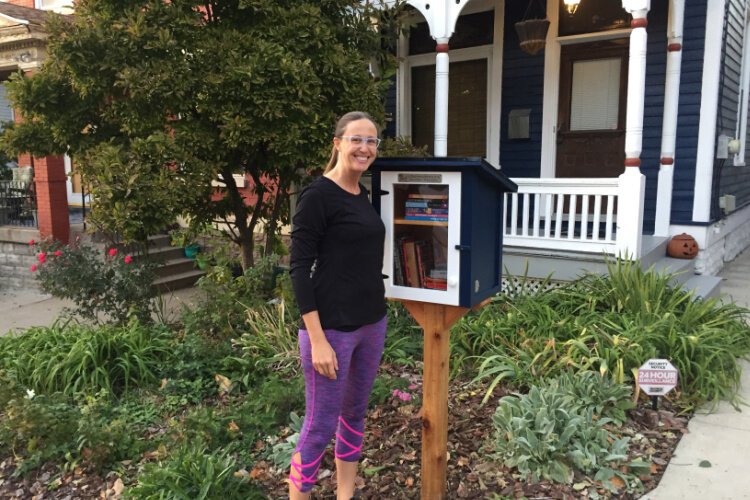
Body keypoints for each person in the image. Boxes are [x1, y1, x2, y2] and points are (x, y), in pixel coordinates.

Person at [288, 111, 388, 499]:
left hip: (371, 323)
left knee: (354, 417)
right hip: (331, 330)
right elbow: (298, 268)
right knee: (319, 425)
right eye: (356, 139)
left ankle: (345, 495)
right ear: (337, 144)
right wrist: (318, 340)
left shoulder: (362, 195)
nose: (364, 148)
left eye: (371, 141)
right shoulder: (317, 196)